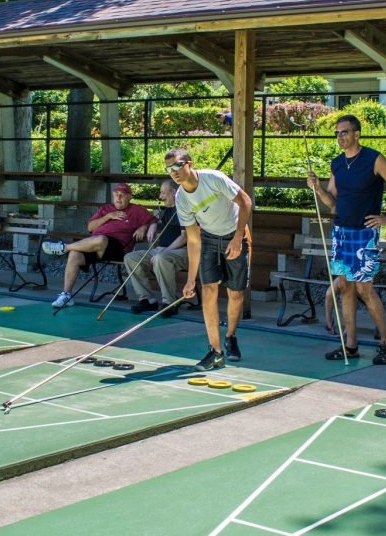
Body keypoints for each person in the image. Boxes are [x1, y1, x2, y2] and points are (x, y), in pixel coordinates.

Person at [307, 114, 386, 365]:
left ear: (357, 134)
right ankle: (350, 344)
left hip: (364, 233)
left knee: (364, 287)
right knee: (345, 287)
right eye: (337, 133)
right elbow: (332, 201)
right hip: (342, 231)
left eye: (345, 132)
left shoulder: (373, 159)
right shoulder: (337, 164)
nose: (340, 137)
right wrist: (318, 189)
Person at [167, 147, 253, 371]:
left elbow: (245, 202)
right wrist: (190, 280)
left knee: (235, 294)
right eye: (169, 169)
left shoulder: (213, 179)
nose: (174, 172)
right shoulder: (181, 199)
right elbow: (194, 241)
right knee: (208, 289)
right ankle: (215, 351)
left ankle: (231, 336)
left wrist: (237, 238)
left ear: (189, 164)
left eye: (177, 166)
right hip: (209, 239)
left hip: (236, 234)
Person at [42, 183, 154, 309]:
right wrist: (107, 217)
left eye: (122, 195)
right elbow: (90, 227)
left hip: (118, 248)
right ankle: (66, 295)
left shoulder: (136, 210)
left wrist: (143, 227)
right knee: (75, 254)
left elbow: (154, 221)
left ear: (129, 197)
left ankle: (64, 247)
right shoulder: (105, 209)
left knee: (100, 239)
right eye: (116, 195)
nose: (118, 198)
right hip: (95, 245)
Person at [123, 179, 188, 317]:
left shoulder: (185, 208)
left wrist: (165, 250)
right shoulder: (169, 209)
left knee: (160, 258)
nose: (160, 197)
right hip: (163, 250)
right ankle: (147, 300)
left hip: (184, 251)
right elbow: (158, 222)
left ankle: (169, 303)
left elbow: (185, 237)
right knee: (131, 258)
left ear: (174, 192)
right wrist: (151, 225)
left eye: (163, 193)